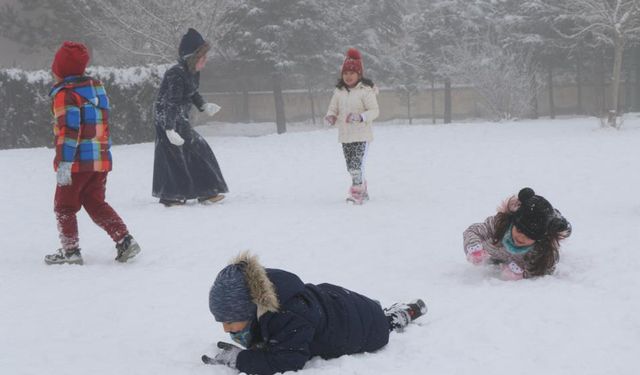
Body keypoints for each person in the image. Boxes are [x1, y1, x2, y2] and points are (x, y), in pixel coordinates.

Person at [205, 252, 426, 374]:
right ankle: (387, 312)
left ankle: (401, 315)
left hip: (364, 329)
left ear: (250, 308)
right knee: (373, 313)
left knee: (382, 322)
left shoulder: (289, 316)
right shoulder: (266, 292)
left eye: (230, 321)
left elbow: (289, 360)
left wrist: (242, 360)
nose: (225, 329)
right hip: (340, 306)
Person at [44, 41, 141, 265]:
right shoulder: (97, 90)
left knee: (64, 206)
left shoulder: (65, 95)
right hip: (100, 161)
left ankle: (71, 252)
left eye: (55, 67)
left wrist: (64, 163)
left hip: (76, 163)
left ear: (61, 70)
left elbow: (69, 131)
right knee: (95, 202)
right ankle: (124, 239)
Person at [152, 28, 228, 207]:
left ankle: (202, 192)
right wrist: (169, 129)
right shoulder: (175, 74)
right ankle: (176, 195)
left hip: (178, 116)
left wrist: (203, 105)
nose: (206, 60)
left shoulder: (191, 72)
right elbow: (172, 102)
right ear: (192, 57)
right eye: (203, 57)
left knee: (194, 149)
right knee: (177, 153)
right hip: (167, 117)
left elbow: (192, 92)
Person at [463, 187, 572, 280]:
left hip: (515, 260)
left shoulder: (540, 250)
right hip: (495, 254)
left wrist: (522, 274)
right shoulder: (500, 225)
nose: (521, 237)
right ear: (513, 223)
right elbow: (474, 231)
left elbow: (545, 269)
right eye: (519, 230)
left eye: (529, 236)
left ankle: (556, 220)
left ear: (538, 239)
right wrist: (474, 247)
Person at [324, 48, 380, 204]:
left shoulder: (365, 91)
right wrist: (331, 116)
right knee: (351, 167)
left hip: (362, 136)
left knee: (356, 166)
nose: (348, 76)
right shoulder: (339, 91)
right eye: (345, 73)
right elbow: (333, 108)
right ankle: (363, 187)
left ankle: (357, 192)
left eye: (352, 73)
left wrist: (360, 117)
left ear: (359, 74)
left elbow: (375, 111)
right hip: (345, 135)